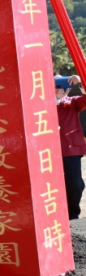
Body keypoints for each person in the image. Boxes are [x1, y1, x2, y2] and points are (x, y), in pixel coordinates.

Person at [55, 75, 86, 220]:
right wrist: (55, 99)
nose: (62, 89)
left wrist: (80, 82)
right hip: (49, 152)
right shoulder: (42, 103)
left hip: (71, 149)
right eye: (58, 85)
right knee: (54, 186)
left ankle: (72, 214)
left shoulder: (72, 102)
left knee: (76, 184)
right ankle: (58, 215)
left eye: (65, 85)